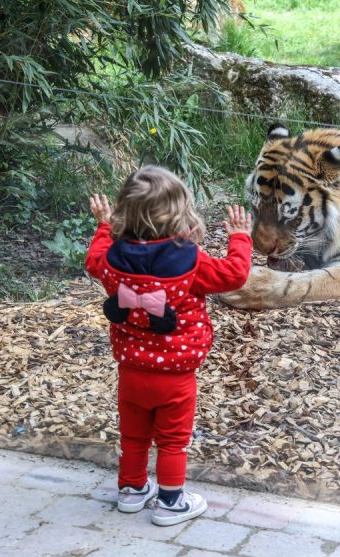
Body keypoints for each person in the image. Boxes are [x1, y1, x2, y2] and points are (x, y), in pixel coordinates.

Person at [85, 165, 253, 526]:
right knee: (173, 441)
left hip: (131, 369)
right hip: (176, 375)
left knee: (133, 435)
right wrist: (240, 236)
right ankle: (171, 503)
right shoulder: (192, 261)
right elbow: (235, 274)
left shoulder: (112, 259)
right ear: (181, 213)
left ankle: (131, 491)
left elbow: (92, 261)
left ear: (123, 211)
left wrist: (102, 225)